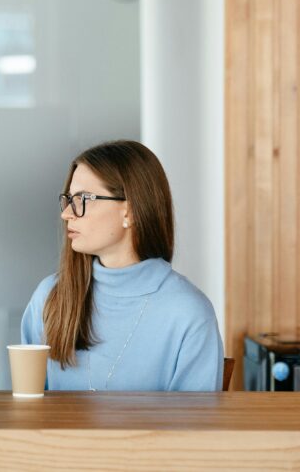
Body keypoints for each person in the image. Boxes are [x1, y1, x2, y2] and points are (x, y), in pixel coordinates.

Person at [21, 140, 222, 391]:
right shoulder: (49, 297)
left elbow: (194, 427)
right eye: (68, 199)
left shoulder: (188, 313)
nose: (66, 214)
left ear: (130, 212)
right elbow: (29, 413)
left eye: (82, 199)